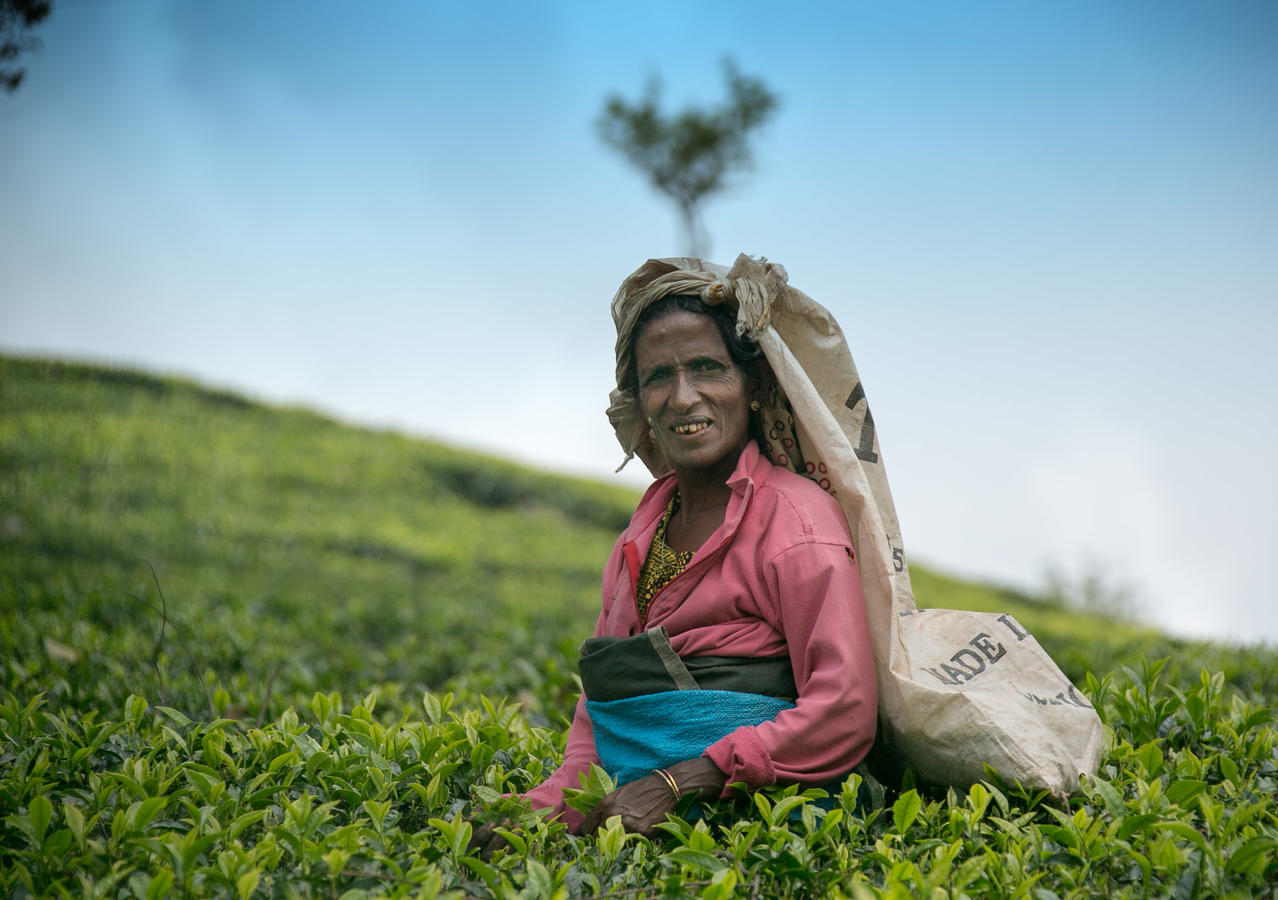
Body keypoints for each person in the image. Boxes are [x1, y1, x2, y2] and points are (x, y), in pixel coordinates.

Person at [479, 258, 877, 846]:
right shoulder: (640, 534)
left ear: (755, 386)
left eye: (707, 368)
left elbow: (843, 708)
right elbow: (602, 718)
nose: (682, 397)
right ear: (637, 400)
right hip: (634, 804)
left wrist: (680, 780)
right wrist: (539, 813)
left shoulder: (796, 523)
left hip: (766, 818)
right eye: (658, 377)